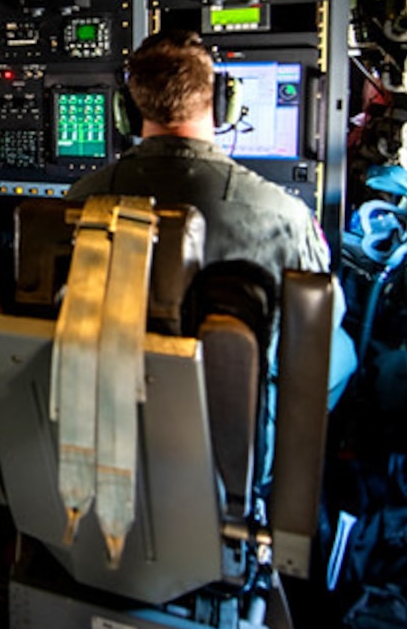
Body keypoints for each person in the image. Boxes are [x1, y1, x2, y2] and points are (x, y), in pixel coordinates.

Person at [67, 30, 355, 407]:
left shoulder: (80, 201)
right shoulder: (284, 216)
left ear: (127, 111)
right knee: (342, 352)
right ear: (223, 104)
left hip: (105, 417)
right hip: (228, 442)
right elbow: (317, 331)